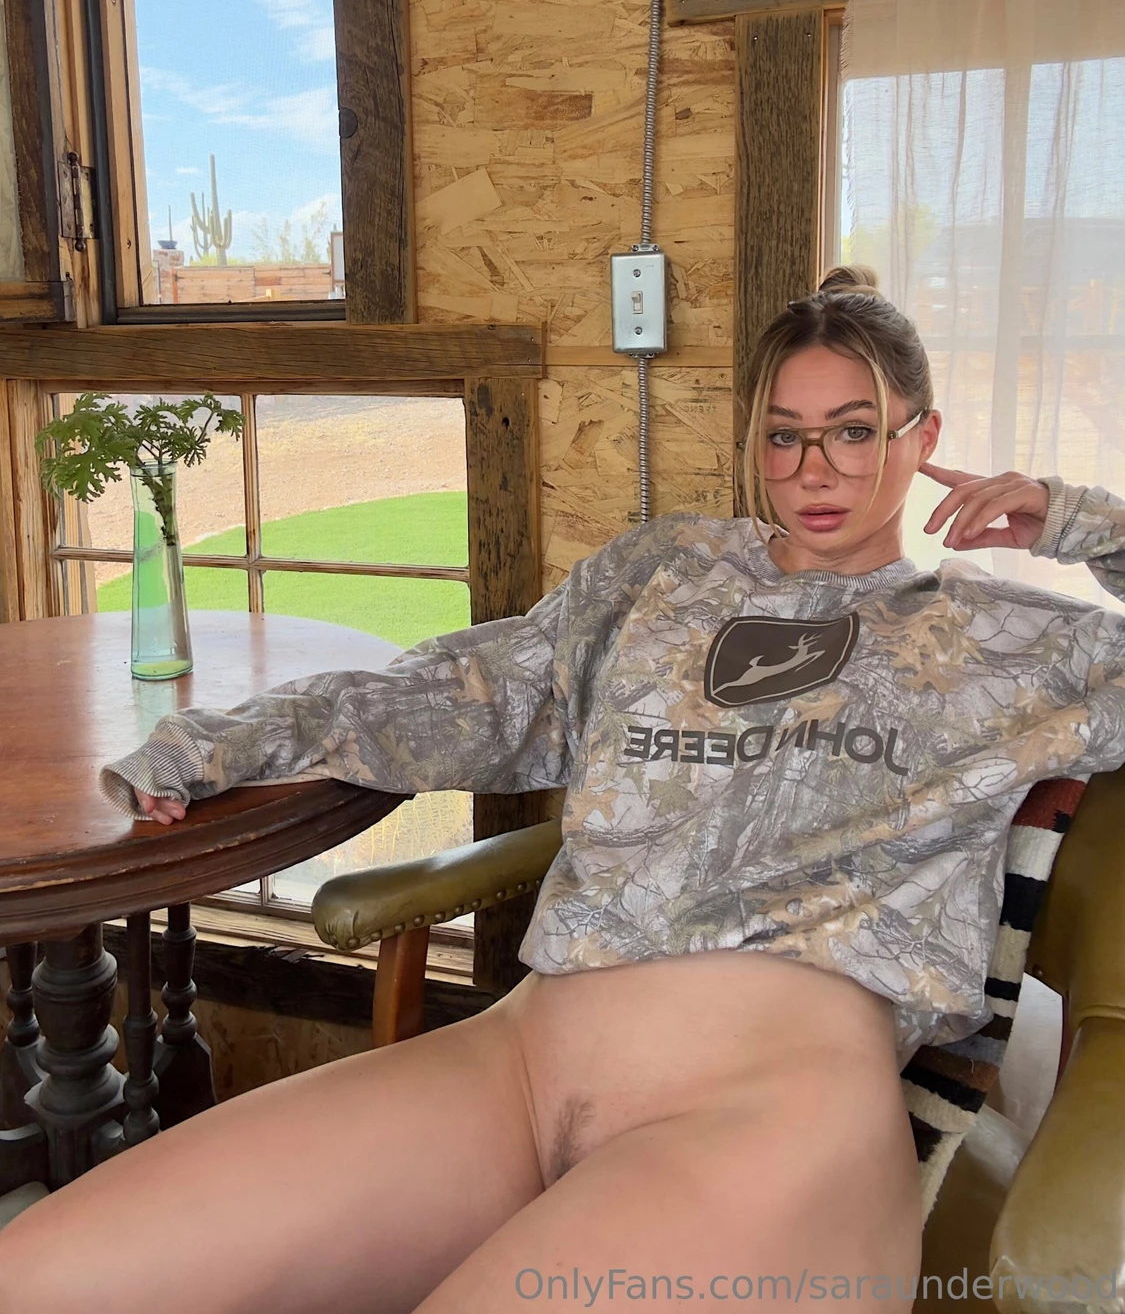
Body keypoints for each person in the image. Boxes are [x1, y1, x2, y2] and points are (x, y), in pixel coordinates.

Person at [3, 265, 1123, 1314]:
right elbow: (473, 690)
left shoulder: (1005, 642)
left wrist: (1075, 521)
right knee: (41, 1273)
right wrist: (221, 744)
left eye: (856, 431)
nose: (814, 471)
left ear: (924, 437)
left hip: (772, 1120)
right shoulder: (665, 575)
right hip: (521, 1065)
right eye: (784, 435)